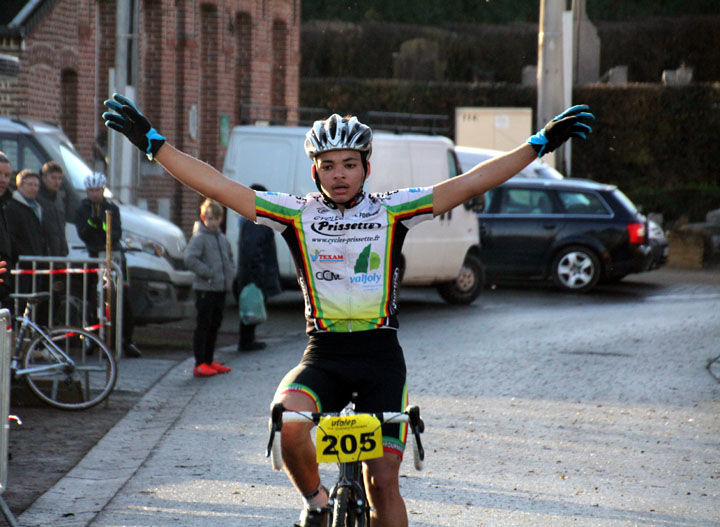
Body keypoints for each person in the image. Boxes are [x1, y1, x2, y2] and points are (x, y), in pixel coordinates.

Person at [103, 94, 593, 527]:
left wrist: (537, 144)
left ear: (366, 168)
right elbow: (218, 186)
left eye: (350, 164)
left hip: (381, 357)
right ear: (314, 170)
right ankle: (316, 503)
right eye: (329, 164)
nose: (340, 174)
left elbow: (468, 183)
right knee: (289, 421)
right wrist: (154, 145)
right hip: (325, 356)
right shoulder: (296, 213)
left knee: (383, 484)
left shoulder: (392, 210)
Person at [74, 172, 142, 358]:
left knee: (122, 298)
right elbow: (83, 233)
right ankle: (92, 339)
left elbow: (116, 233)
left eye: (98, 190)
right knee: (93, 298)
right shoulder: (81, 209)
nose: (94, 194)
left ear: (103, 190)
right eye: (91, 190)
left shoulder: (112, 208)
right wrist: (91, 224)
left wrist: (103, 225)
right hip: (94, 256)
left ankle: (126, 340)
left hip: (114, 256)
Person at [184, 199, 235, 377]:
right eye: (210, 218)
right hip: (205, 289)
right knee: (203, 326)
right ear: (203, 218)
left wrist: (230, 275)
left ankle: (209, 359)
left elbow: (229, 258)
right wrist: (208, 273)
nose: (213, 222)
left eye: (216, 218)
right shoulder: (199, 238)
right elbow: (190, 259)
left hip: (220, 289)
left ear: (221, 219)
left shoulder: (222, 239)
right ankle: (200, 363)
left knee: (214, 325)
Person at [235, 183, 282, 352]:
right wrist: (258, 276)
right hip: (253, 275)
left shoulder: (252, 219)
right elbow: (253, 251)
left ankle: (248, 340)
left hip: (251, 274)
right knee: (251, 306)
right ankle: (246, 342)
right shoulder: (256, 222)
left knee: (251, 306)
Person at [37, 161, 69, 257]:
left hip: (60, 253)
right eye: (53, 178)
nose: (57, 182)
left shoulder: (59, 199)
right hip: (44, 254)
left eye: (59, 178)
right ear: (44, 178)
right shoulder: (37, 199)